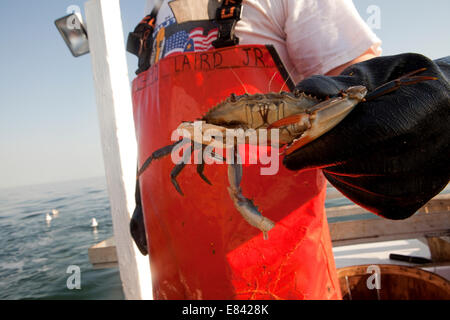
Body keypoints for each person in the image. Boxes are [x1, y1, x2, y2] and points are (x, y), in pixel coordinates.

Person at [129, 0, 449, 299]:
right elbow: (168, 129)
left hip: (288, 277)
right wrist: (147, 190)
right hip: (177, 278)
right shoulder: (151, 15)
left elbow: (361, 84)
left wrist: (402, 124)